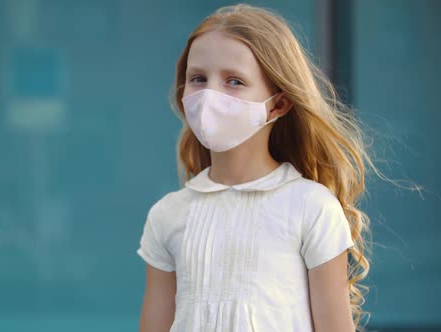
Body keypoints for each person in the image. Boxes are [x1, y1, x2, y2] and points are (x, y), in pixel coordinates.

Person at [137, 4, 377, 331]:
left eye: (234, 81)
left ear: (278, 104)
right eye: (198, 79)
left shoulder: (312, 208)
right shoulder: (167, 215)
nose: (209, 95)